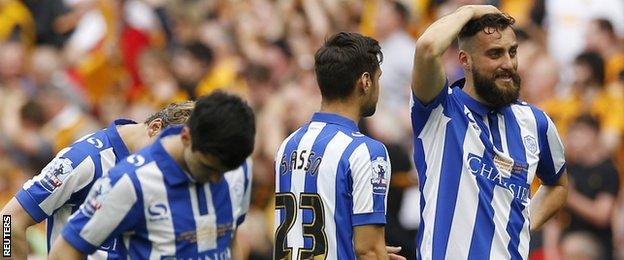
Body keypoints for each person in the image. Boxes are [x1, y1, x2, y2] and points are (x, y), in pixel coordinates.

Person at [411, 5, 568, 259]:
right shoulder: (440, 110)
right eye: (495, 54)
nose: (508, 63)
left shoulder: (535, 122)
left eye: (512, 51)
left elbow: (558, 185)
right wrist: (472, 10)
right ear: (465, 60)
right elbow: (428, 47)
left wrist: (519, 225)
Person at [48, 91, 255, 259]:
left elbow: (232, 236)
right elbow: (14, 218)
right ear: (185, 137)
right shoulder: (123, 177)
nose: (218, 179)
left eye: (226, 171)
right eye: (208, 168)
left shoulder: (240, 167)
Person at [0, 101, 195, 259]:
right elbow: (7, 221)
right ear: (155, 128)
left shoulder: (167, 172)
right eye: (170, 153)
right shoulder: (84, 159)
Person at [273, 32, 403, 260]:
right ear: (365, 81)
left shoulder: (288, 145)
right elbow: (369, 250)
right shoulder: (367, 152)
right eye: (378, 78)